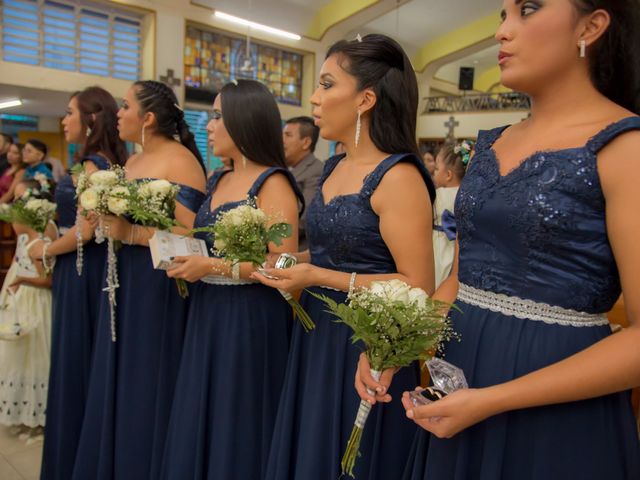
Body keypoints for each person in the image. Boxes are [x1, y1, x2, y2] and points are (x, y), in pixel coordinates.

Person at [400, 1, 640, 479]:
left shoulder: (624, 147)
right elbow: (460, 280)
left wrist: (493, 399)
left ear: (590, 26)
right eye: (501, 15)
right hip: (460, 381)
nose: (503, 32)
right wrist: (398, 346)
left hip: (555, 407)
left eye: (527, 9)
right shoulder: (490, 143)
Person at [253, 34, 436, 480]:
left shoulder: (399, 176)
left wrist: (316, 274)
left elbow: (418, 285)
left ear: (365, 99)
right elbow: (335, 251)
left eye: (327, 85)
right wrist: (289, 262)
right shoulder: (335, 166)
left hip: (368, 341)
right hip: (317, 336)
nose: (314, 99)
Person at [160, 79, 303, 480]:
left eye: (217, 116)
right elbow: (203, 237)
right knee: (200, 406)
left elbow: (284, 263)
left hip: (250, 317)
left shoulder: (273, 183)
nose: (207, 126)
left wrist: (212, 268)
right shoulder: (217, 180)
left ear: (244, 120)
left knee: (237, 413)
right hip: (208, 311)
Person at [71, 80, 206, 480]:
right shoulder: (130, 163)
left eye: (125, 106)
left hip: (157, 287)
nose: (117, 113)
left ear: (147, 118)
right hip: (122, 280)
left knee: (146, 383)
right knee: (119, 379)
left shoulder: (181, 161)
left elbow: (196, 237)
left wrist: (131, 234)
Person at [36, 86, 128, 480]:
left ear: (91, 118)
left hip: (81, 268)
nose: (64, 120)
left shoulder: (94, 165)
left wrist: (44, 250)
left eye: (69, 112)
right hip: (87, 268)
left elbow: (86, 231)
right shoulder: (102, 161)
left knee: (75, 360)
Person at [0, 179, 56, 444]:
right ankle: (25, 413)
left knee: (37, 355)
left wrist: (21, 281)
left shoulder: (39, 243)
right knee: (19, 356)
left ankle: (40, 417)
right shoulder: (27, 239)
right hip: (24, 299)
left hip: (37, 303)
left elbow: (48, 280)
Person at [431, 141, 471, 288]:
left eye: (436, 169)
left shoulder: (437, 196)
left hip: (439, 246)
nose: (433, 173)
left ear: (448, 175)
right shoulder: (469, 195)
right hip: (463, 250)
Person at [283, 116, 323, 249]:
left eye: (288, 135)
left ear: (306, 142)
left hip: (297, 251)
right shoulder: (285, 169)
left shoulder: (316, 171)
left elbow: (303, 219)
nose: (282, 140)